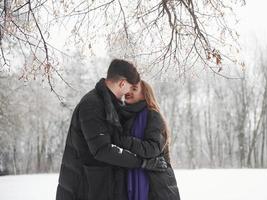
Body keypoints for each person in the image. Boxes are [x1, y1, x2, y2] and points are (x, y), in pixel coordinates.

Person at [56, 59, 167, 200]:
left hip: (96, 187)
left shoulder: (108, 104)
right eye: (130, 87)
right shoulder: (92, 104)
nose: (128, 92)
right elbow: (102, 150)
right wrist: (142, 163)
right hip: (82, 189)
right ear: (122, 83)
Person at [114, 80, 181, 200]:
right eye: (127, 88)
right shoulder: (123, 116)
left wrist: (125, 141)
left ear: (144, 94)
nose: (128, 91)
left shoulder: (152, 115)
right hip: (131, 178)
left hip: (154, 184)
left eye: (134, 89)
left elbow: (152, 149)